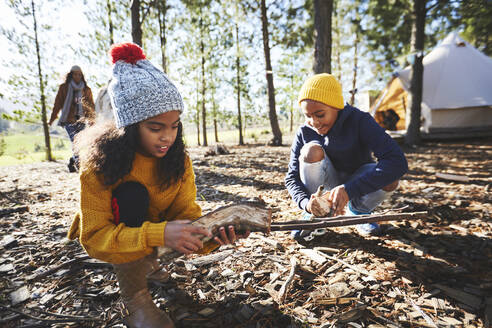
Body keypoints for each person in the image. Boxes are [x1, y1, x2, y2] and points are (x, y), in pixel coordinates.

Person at [67, 42, 248, 328]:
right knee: (131, 196)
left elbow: (184, 213)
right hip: (120, 232)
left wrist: (212, 238)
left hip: (155, 234)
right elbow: (94, 236)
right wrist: (158, 234)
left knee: (156, 222)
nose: (168, 137)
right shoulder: (99, 164)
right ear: (129, 126)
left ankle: (148, 263)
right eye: (155, 128)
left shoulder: (178, 160)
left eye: (175, 126)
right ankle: (135, 298)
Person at [285, 73, 408, 238]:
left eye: (320, 115)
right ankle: (318, 212)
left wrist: (350, 190)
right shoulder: (304, 132)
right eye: (308, 116)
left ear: (336, 106)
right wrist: (307, 204)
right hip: (323, 189)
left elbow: (397, 161)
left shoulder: (359, 120)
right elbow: (291, 177)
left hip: (356, 185)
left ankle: (359, 210)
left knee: (391, 177)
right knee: (311, 151)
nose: (314, 122)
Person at [49, 65, 95, 172]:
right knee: (75, 141)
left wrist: (93, 119)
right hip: (69, 120)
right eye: (75, 74)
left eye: (80, 74)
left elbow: (90, 106)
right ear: (71, 75)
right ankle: (79, 164)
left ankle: (73, 161)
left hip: (82, 120)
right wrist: (51, 119)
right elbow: (58, 104)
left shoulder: (86, 89)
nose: (77, 76)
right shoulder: (64, 88)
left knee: (82, 142)